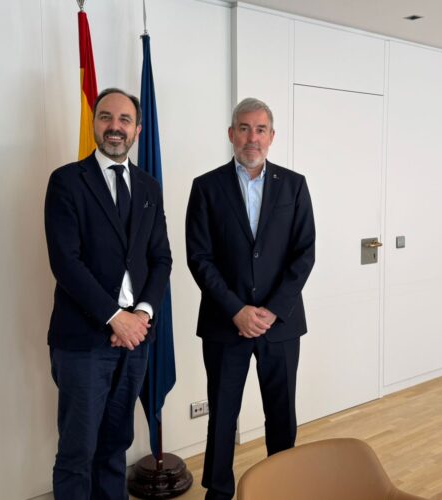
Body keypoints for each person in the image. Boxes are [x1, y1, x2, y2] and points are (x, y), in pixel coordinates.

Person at [44, 88, 172, 499]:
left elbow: (161, 259)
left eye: (124, 120)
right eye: (106, 117)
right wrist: (116, 319)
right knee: (77, 452)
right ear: (95, 123)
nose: (115, 127)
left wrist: (142, 315)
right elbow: (66, 262)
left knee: (115, 447)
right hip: (84, 341)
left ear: (137, 129)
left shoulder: (149, 187)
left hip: (136, 341)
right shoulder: (66, 181)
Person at [185, 97, 316, 500]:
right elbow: (199, 257)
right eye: (244, 128)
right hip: (225, 325)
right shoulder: (206, 187)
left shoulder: (294, 185)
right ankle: (218, 492)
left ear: (272, 136)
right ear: (231, 134)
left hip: (281, 325)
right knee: (223, 415)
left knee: (281, 414)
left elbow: (304, 254)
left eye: (260, 129)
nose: (252, 137)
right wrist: (236, 310)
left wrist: (271, 311)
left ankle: (282, 489)